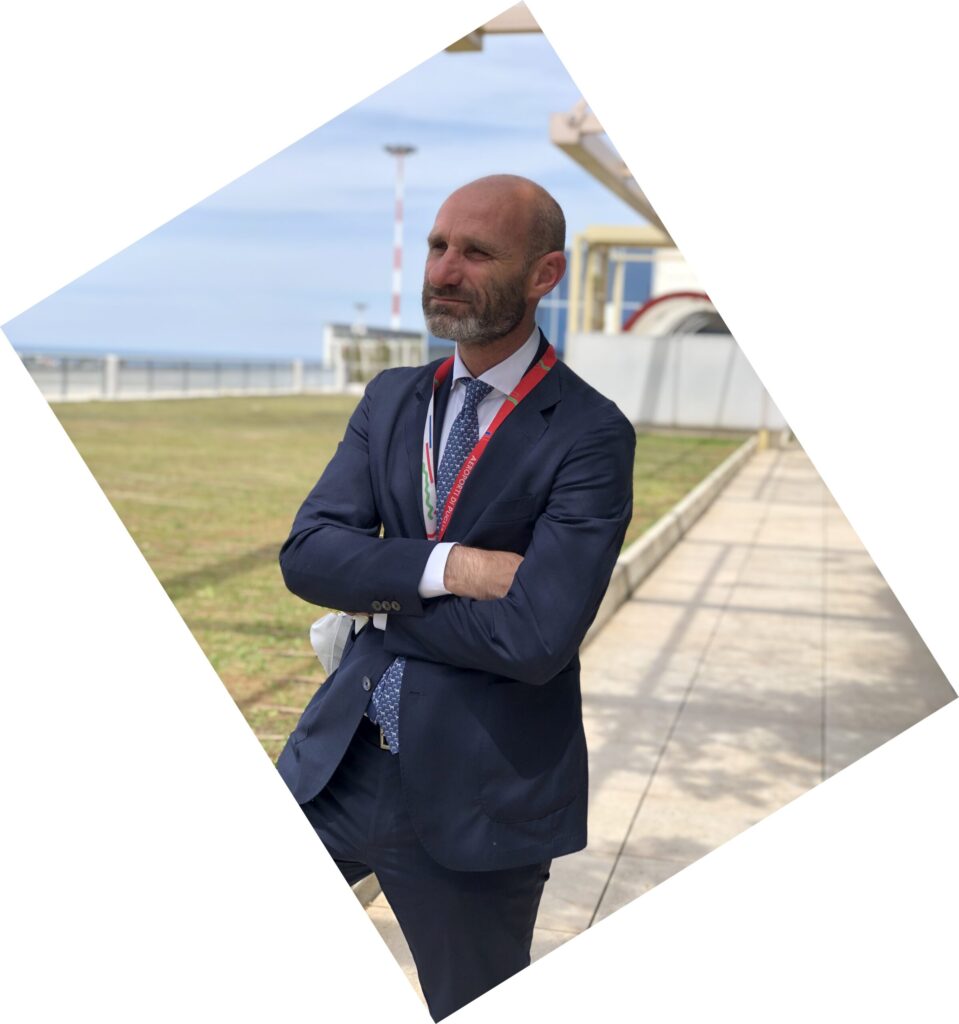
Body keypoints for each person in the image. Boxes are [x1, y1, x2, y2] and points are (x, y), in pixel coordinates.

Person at [276, 174, 635, 1020]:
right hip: (333, 764)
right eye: (438, 246)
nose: (443, 269)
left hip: (481, 796)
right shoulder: (391, 399)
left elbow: (535, 637)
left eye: (476, 252)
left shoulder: (589, 434)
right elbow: (307, 555)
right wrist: (451, 568)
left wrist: (378, 599)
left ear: (544, 275)